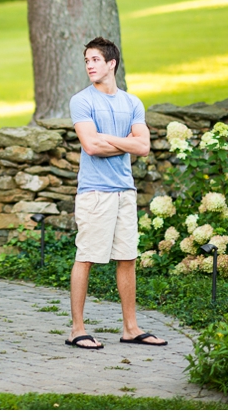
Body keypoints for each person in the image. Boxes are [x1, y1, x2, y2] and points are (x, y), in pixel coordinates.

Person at [64, 37, 167, 349]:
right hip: (95, 193)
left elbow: (144, 147)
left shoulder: (132, 103)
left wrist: (107, 138)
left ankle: (131, 328)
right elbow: (91, 146)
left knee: (127, 257)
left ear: (112, 63)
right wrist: (122, 141)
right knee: (86, 258)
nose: (89, 66)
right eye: (86, 61)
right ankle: (77, 330)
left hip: (125, 191)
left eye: (95, 60)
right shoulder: (81, 101)